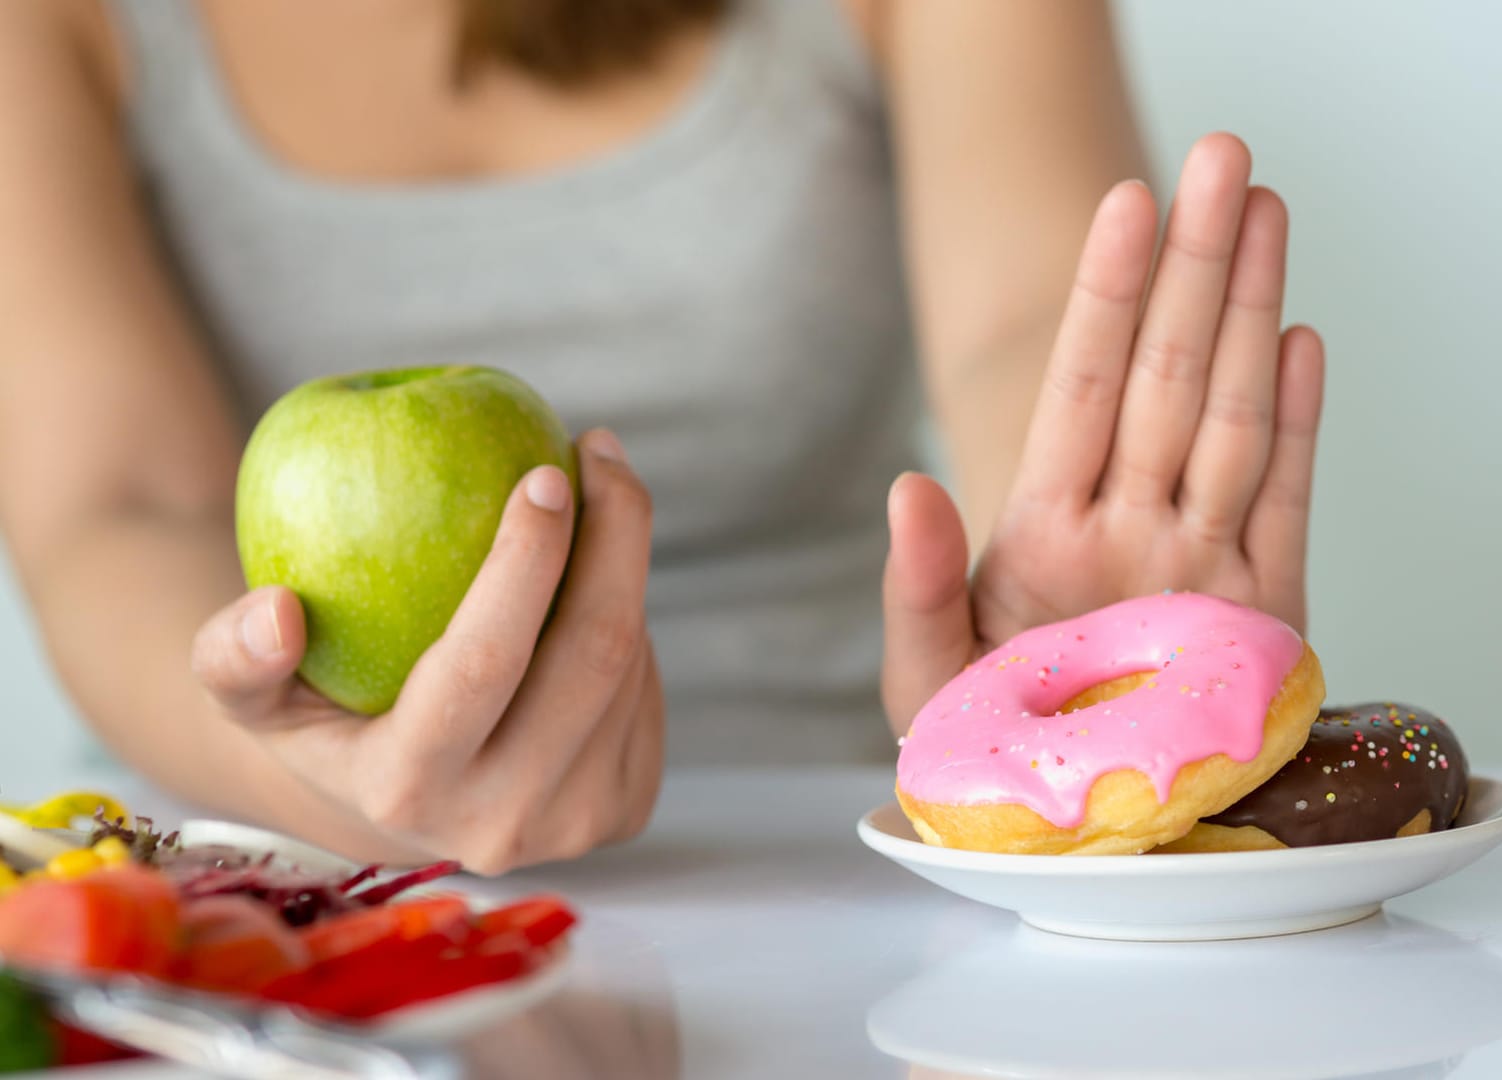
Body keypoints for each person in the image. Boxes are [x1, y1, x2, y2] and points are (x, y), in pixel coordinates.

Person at [0, 0, 1323, 873]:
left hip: (831, 887)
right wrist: (316, 787)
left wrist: (1078, 583)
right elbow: (109, 504)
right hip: (262, 909)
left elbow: (1026, 315)